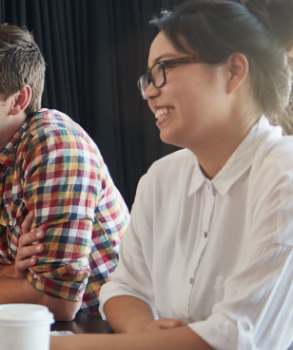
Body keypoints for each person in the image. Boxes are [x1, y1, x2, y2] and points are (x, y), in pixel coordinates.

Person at [53, 0, 293, 349]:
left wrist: (52, 345)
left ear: (234, 71)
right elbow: (123, 288)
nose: (150, 91)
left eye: (164, 69)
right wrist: (145, 332)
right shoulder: (161, 178)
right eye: (148, 78)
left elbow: (233, 336)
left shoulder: (283, 175)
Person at [0, 24, 129, 321]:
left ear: (18, 100)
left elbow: (59, 302)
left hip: (102, 327)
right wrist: (14, 273)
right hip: (17, 323)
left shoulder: (56, 146)